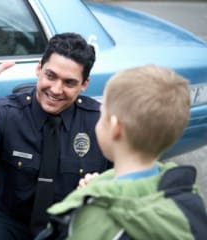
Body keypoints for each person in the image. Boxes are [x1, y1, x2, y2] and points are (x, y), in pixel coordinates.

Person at [0, 13, 112, 240]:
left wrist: (105, 187)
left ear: (84, 85)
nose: (56, 90)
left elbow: (130, 175)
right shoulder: (7, 113)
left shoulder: (99, 122)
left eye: (69, 83)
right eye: (51, 76)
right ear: (38, 69)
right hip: (11, 219)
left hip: (71, 224)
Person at [36, 65, 207, 240]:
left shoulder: (93, 218)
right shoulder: (188, 195)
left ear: (115, 127)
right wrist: (103, 185)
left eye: (102, 115)